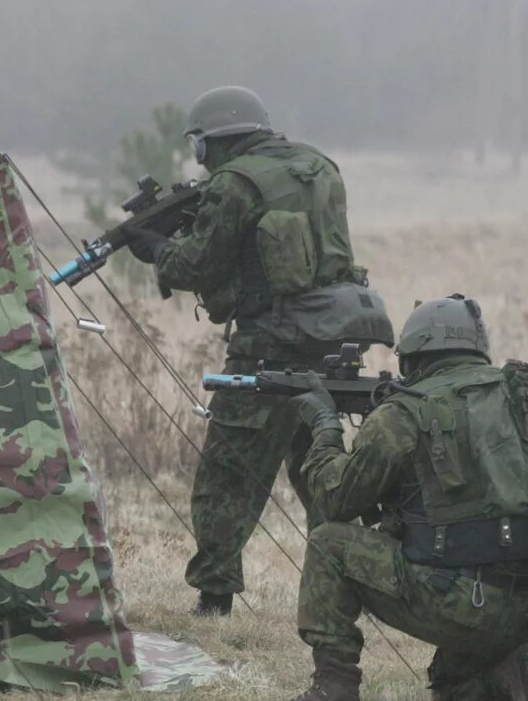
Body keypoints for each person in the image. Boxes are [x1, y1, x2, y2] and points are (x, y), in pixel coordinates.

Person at [127, 86, 393, 615]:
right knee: (320, 466)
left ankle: (215, 596)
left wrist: (157, 248)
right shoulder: (320, 167)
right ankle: (348, 583)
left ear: (215, 142)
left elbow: (198, 266)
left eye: (200, 147)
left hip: (268, 344)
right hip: (333, 337)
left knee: (229, 473)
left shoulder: (234, 184)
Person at [283, 295, 528, 701]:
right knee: (458, 695)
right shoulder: (526, 400)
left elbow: (336, 499)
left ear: (415, 352)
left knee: (327, 544)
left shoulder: (404, 413)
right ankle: (517, 665)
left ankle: (333, 691)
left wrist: (324, 427)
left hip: (456, 603)